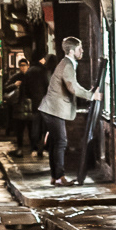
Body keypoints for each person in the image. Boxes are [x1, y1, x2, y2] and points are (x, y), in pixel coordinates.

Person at [38, 36, 98, 186]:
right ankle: (59, 177)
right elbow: (73, 87)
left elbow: (74, 85)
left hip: (51, 108)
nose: (82, 51)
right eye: (79, 49)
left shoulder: (66, 63)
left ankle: (55, 176)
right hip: (53, 109)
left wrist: (87, 92)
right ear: (72, 51)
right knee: (61, 142)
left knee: (55, 142)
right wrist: (92, 95)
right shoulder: (68, 65)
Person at [22, 55, 50, 159]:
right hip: (44, 102)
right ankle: (44, 148)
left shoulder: (29, 72)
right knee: (45, 127)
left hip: (34, 103)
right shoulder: (43, 71)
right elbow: (48, 86)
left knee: (35, 126)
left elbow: (25, 88)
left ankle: (34, 148)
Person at [4, 57, 32, 157]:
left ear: (28, 66)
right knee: (19, 130)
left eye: (24, 65)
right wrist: (14, 85)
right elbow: (5, 87)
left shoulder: (31, 76)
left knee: (31, 129)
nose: (22, 68)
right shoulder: (16, 77)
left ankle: (33, 149)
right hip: (19, 107)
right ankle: (20, 148)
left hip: (29, 107)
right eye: (21, 66)